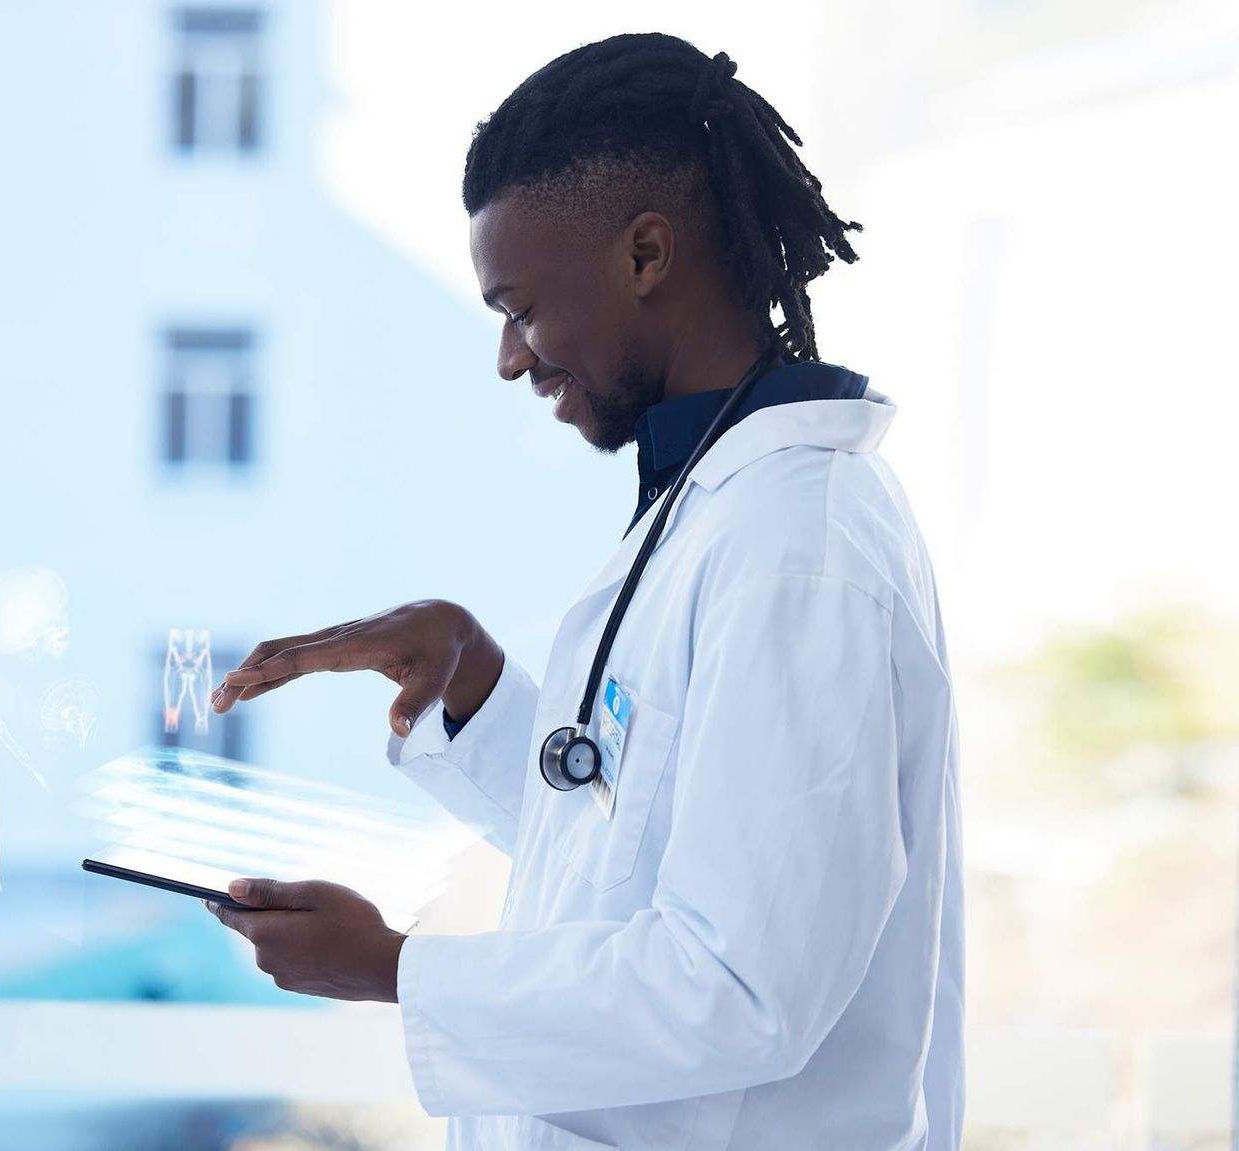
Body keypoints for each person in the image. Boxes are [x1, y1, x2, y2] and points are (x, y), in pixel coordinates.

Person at [205, 33, 963, 1151]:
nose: (512, 358)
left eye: (519, 307)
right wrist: (477, 685)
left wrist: (393, 968)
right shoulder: (711, 507)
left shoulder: (799, 548)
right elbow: (639, 846)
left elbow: (737, 984)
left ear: (645, 253)